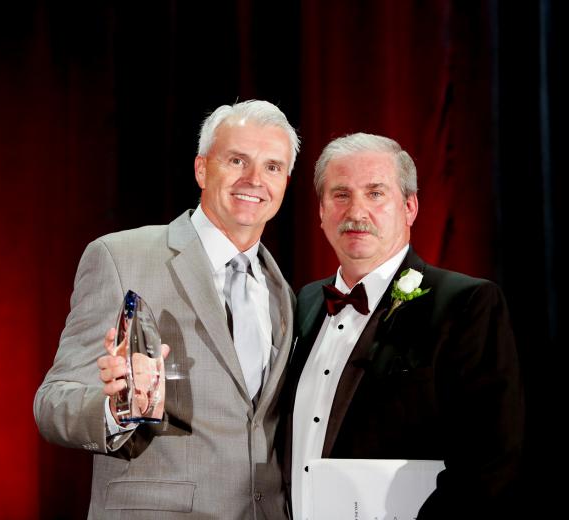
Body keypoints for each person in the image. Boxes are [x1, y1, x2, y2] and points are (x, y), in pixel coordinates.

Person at [34, 100, 299, 519]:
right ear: (201, 169)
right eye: (237, 160)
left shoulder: (281, 290)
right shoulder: (122, 256)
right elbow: (52, 404)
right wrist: (118, 408)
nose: (254, 180)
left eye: (272, 167)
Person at [282, 133, 524, 519]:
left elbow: (492, 460)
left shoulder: (466, 303)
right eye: (341, 195)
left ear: (409, 207)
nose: (356, 211)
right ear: (321, 212)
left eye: (375, 193)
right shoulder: (304, 303)